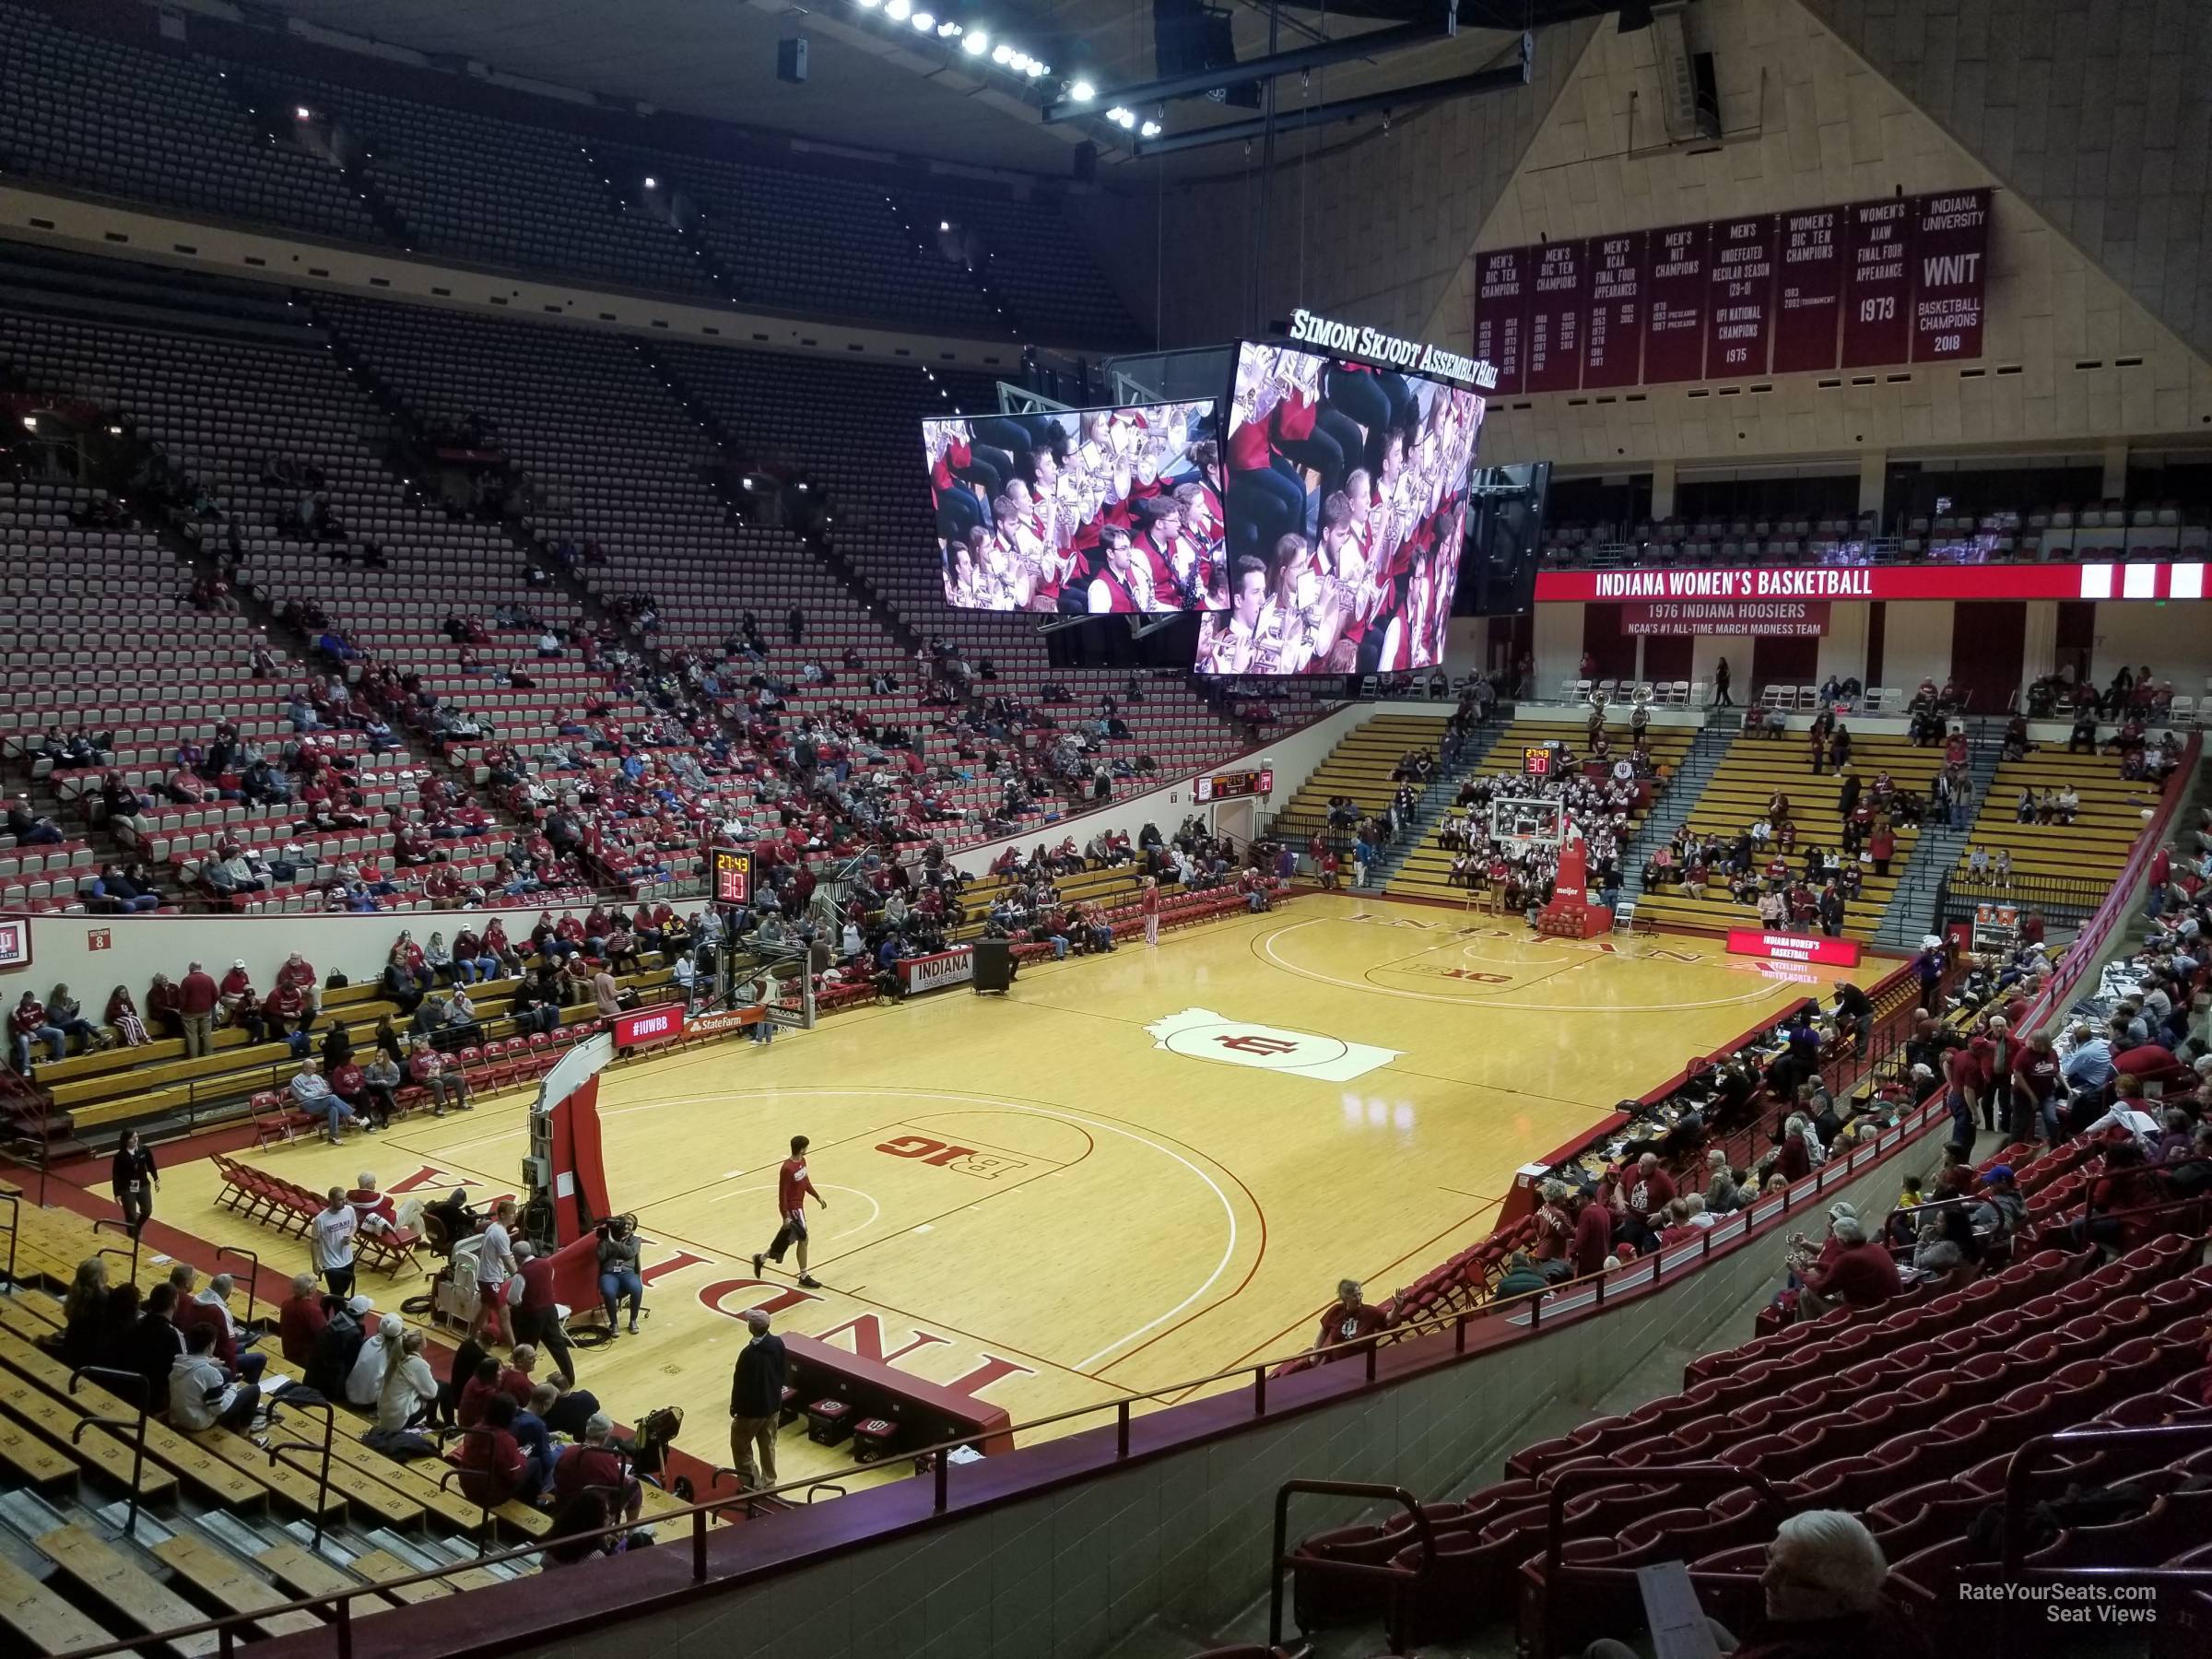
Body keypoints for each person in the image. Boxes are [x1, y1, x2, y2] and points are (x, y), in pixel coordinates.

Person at [1583, 1509, 1907, 1659]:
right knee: (1706, 1625)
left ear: (1837, 1596)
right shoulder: (1886, 1612)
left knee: (1605, 1650)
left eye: (1787, 1576)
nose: (1764, 1580)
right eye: (1770, 1559)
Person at [751, 1135, 828, 1288]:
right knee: (804, 1239)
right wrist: (785, 1216)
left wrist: (817, 1196)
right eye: (806, 1147)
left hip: (800, 1206)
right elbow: (782, 1194)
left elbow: (805, 1181)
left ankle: (761, 1259)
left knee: (788, 1239)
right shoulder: (787, 1168)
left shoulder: (802, 1161)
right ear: (801, 1149)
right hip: (793, 1208)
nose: (807, 1149)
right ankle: (804, 1276)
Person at [728, 1308, 788, 1492]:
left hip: (752, 1411)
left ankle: (752, 1484)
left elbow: (740, 1384)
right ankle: (770, 1483)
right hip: (773, 1405)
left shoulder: (748, 1354)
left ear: (751, 1328)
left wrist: (735, 1407)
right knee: (768, 1444)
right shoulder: (778, 1343)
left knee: (740, 1446)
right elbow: (783, 1372)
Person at [169, 1322, 265, 1432]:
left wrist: (208, 1363)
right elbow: (218, 1408)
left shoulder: (179, 1363)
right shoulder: (211, 1373)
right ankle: (244, 1433)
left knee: (225, 1373)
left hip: (177, 1416)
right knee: (254, 1390)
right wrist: (233, 1388)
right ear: (211, 1345)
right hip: (197, 1422)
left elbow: (197, 1369)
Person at [471, 1198, 519, 1344]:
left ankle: (471, 1340)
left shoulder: (494, 1227)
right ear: (503, 1215)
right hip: (491, 1279)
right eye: (512, 1213)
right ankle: (515, 1350)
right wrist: (518, 1277)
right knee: (504, 1316)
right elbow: (508, 1262)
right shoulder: (500, 1235)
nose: (515, 1216)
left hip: (484, 1276)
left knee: (484, 1310)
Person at [1311, 1278, 1389, 1361]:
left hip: (1361, 1360)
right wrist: (1314, 1353)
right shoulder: (1336, 1310)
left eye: (1360, 1294)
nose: (1359, 1298)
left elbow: (1389, 1318)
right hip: (1336, 1361)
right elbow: (1324, 1330)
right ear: (1346, 1298)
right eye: (1355, 1296)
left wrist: (1397, 1307)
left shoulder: (1369, 1311)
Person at [597, 1215, 644, 1335]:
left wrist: (613, 1243)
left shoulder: (636, 1240)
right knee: (608, 1292)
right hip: (610, 1273)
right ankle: (614, 1324)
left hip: (627, 1273)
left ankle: (633, 1321)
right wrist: (605, 1240)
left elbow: (629, 1253)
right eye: (624, 1222)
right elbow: (600, 1256)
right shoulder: (610, 1237)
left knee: (637, 1288)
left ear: (633, 1228)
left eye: (630, 1223)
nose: (626, 1225)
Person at [312, 1185, 359, 1300]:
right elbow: (314, 1241)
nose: (344, 1202)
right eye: (340, 1200)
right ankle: (339, 1314)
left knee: (344, 1289)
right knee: (338, 1294)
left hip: (348, 1259)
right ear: (331, 1200)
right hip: (330, 1263)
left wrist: (351, 1235)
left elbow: (354, 1225)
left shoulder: (349, 1210)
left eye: (344, 1198)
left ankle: (326, 1306)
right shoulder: (320, 1219)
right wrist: (315, 1263)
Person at [111, 1128, 159, 1238]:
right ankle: (133, 1234)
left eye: (137, 1137)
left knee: (147, 1210)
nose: (136, 1139)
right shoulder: (119, 1156)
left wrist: (156, 1179)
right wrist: (116, 1193)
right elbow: (116, 1175)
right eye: (133, 1138)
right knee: (131, 1213)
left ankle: (137, 1227)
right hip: (127, 1188)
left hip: (143, 1184)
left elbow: (151, 1165)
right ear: (126, 1140)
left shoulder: (144, 1150)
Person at [277, 1271, 327, 1365]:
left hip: (289, 1351)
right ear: (310, 1290)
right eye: (315, 1284)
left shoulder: (286, 1303)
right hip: (306, 1357)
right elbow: (324, 1336)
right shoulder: (313, 1311)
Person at [177, 960, 218, 1058]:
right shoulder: (208, 979)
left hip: (190, 1013)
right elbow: (216, 995)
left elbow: (182, 998)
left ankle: (194, 1057)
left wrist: (182, 1010)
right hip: (206, 1012)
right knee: (206, 1034)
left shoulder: (187, 980)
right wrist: (210, 1005)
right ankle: (208, 1056)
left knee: (192, 1036)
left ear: (191, 968)